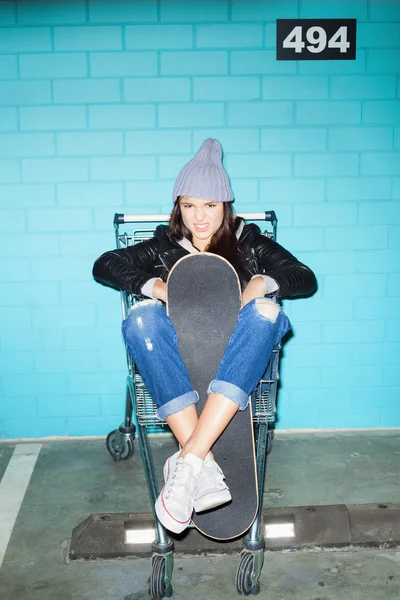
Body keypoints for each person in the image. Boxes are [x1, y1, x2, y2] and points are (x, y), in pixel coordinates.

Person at [93, 138, 317, 534]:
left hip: (237, 356)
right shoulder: (163, 245)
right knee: (141, 319)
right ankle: (203, 465)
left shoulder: (249, 243)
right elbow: (105, 265)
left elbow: (304, 277)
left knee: (267, 314)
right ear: (178, 206)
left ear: (225, 207)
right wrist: (155, 287)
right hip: (182, 357)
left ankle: (189, 459)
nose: (199, 217)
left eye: (210, 206)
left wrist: (262, 281)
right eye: (189, 205)